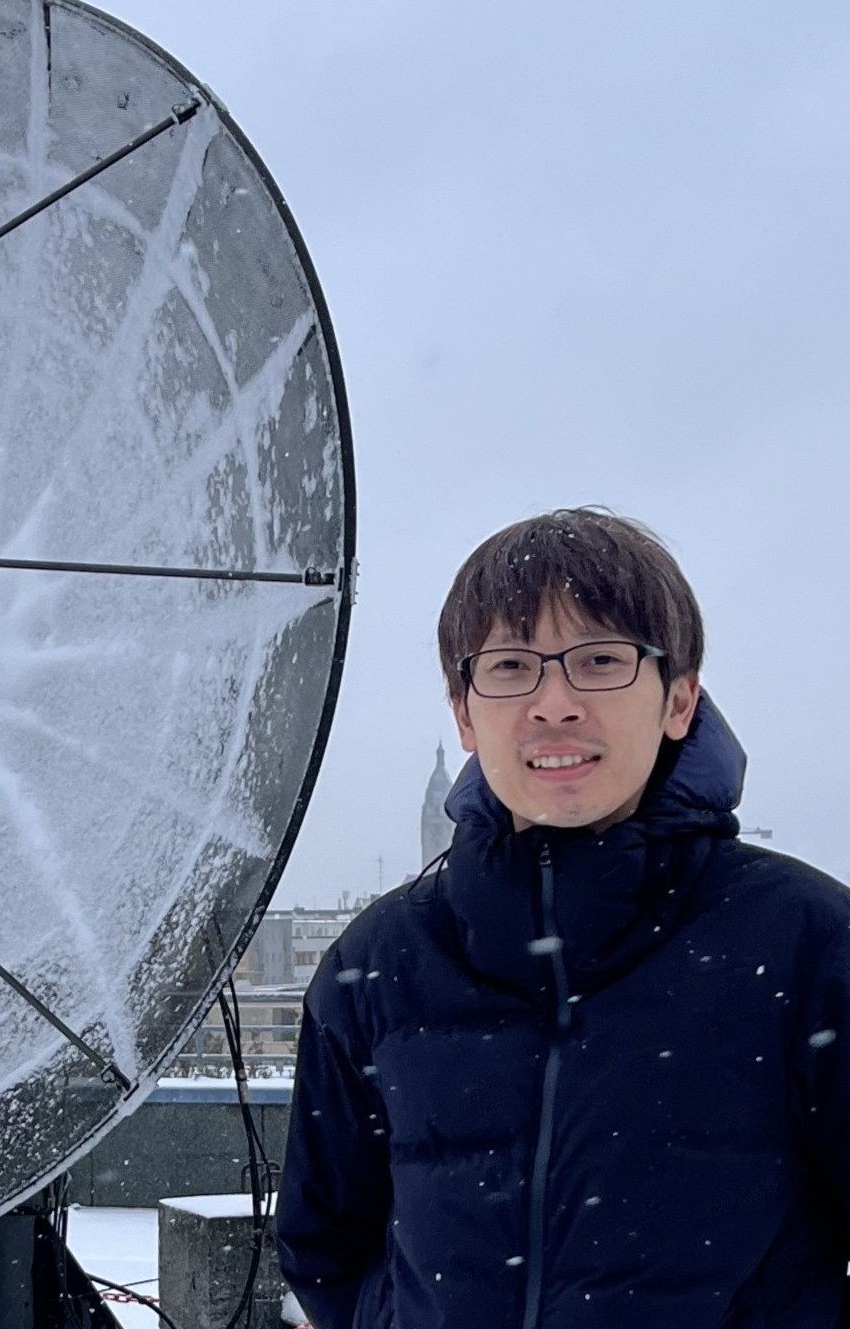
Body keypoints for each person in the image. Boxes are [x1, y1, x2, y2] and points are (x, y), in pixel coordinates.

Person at [276, 507, 850, 1329]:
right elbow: (324, 1246)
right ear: (465, 713)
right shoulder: (380, 965)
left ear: (679, 700)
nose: (555, 703)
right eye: (511, 665)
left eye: (601, 660)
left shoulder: (809, 944)